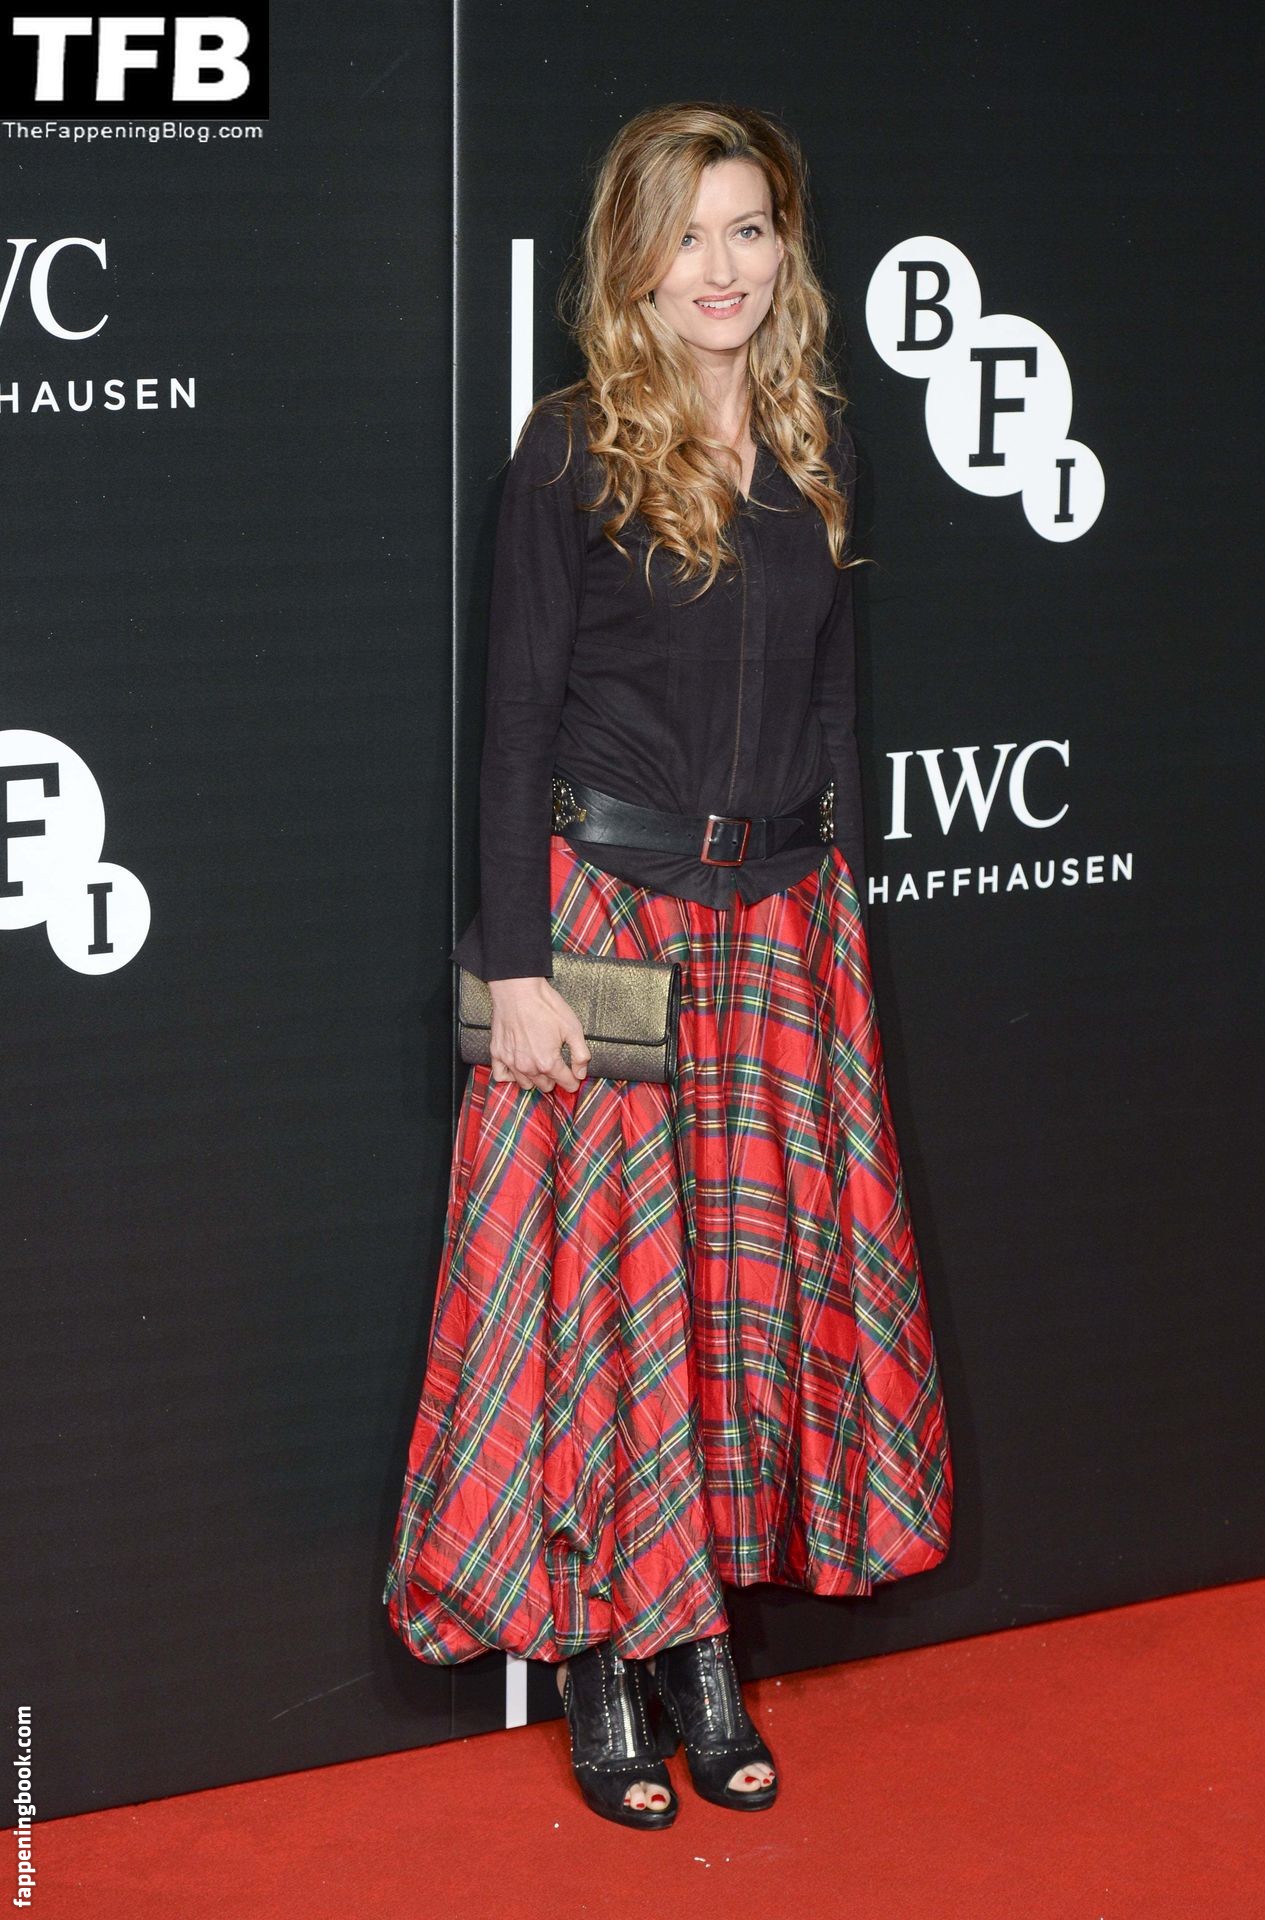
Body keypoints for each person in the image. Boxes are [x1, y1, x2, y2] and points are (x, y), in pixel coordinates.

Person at [384, 100, 954, 1831]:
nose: (724, 267)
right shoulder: (573, 449)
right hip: (611, 924)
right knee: (615, 1312)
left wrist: (835, 897)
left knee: (736, 1303)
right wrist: (520, 964)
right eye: (690, 234)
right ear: (632, 261)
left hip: (776, 925)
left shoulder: (811, 440)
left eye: (750, 229)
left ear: (787, 250)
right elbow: (513, 728)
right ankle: (607, 1664)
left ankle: (704, 1644)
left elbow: (835, 699)